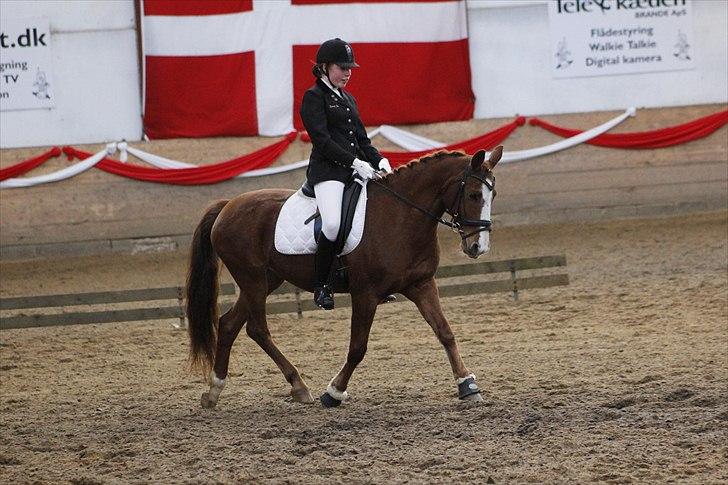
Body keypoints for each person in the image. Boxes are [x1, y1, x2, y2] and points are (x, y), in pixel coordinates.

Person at [300, 38, 392, 310]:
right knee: (331, 225)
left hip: (355, 170)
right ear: (325, 67)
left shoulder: (348, 98)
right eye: (343, 67)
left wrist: (380, 161)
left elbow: (363, 141)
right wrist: (355, 163)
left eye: (350, 67)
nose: (348, 72)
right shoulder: (313, 97)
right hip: (328, 173)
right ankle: (322, 285)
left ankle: (375, 280)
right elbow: (322, 141)